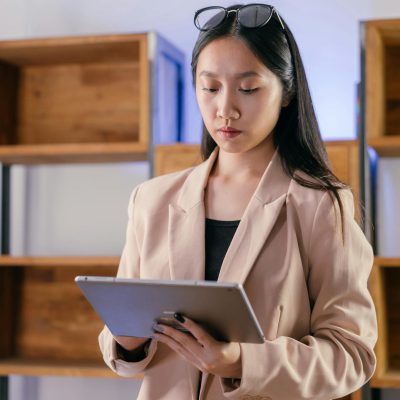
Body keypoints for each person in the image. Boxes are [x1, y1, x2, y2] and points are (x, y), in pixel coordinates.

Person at [99, 3, 377, 399]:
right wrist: (127, 341)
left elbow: (352, 355)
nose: (224, 109)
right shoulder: (152, 200)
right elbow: (126, 345)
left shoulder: (319, 205)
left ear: (287, 91)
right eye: (209, 87)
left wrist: (242, 362)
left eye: (248, 89)